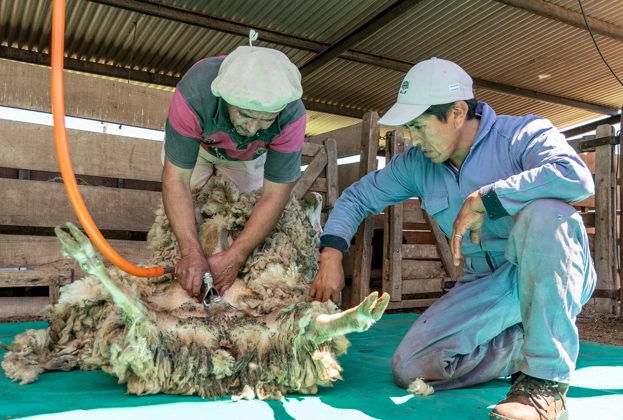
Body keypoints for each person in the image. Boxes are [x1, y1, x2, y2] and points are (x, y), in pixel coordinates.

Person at [310, 57, 596, 420]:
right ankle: (528, 340)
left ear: (458, 113)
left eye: (419, 126)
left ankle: (544, 386)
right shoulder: (417, 164)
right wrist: (331, 254)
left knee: (547, 214)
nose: (412, 138)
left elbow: (575, 176)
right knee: (412, 367)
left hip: (546, 269)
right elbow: (357, 197)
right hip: (483, 280)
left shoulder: (521, 134)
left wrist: (488, 199)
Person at [162, 45, 306, 299]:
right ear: (225, 97)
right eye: (244, 114)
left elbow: (274, 196)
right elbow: (176, 179)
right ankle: (190, 270)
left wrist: (236, 256)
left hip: (249, 156)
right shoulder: (194, 92)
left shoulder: (292, 116)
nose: (252, 128)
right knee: (191, 207)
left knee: (240, 216)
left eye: (265, 119)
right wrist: (190, 252)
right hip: (199, 148)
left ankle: (226, 285)